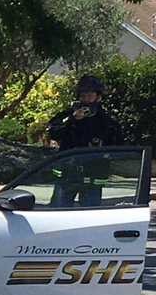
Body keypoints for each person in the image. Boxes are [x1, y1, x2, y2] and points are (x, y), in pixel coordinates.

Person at [46, 75, 122, 207]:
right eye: (83, 96)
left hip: (93, 177)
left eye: (90, 96)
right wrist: (72, 120)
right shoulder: (67, 116)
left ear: (98, 97)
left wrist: (102, 147)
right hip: (67, 175)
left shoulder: (107, 122)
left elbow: (118, 145)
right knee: (57, 213)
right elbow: (53, 132)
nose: (86, 100)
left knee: (90, 217)